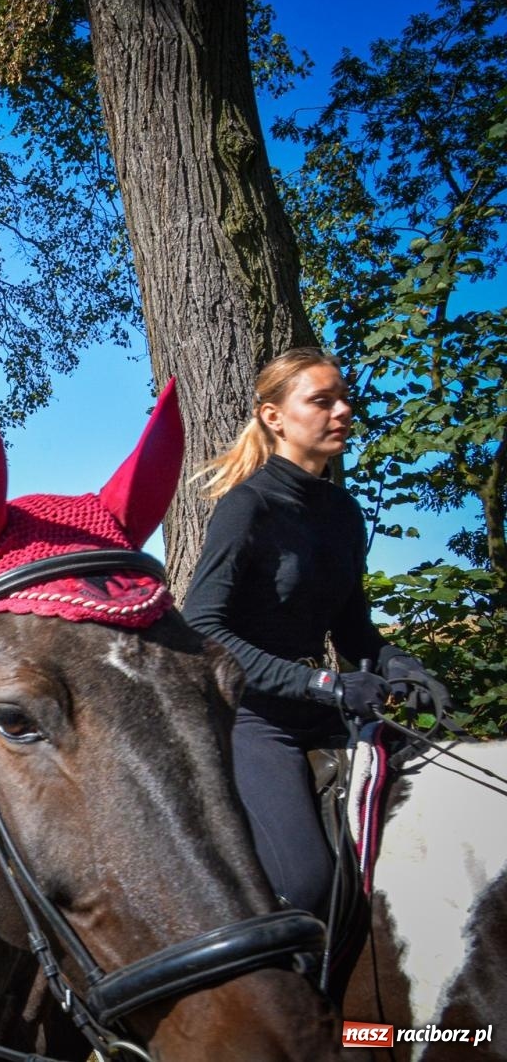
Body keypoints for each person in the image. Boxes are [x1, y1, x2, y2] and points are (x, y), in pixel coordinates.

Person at [184, 348, 446, 921]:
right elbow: (201, 626)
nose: (343, 411)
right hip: (253, 717)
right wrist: (323, 684)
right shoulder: (246, 507)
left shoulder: (343, 513)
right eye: (322, 401)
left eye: (344, 399)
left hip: (321, 707)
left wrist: (400, 665)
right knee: (305, 885)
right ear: (274, 417)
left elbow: (353, 628)